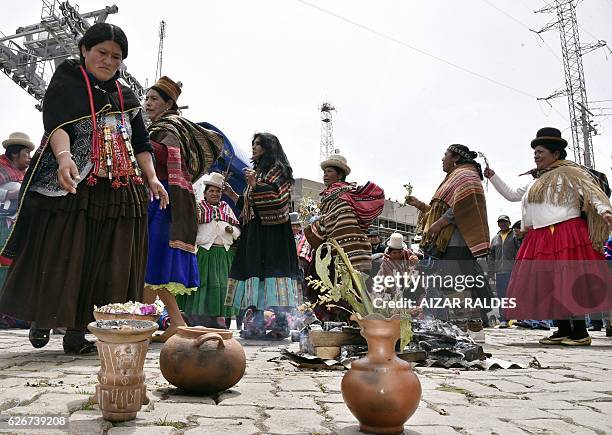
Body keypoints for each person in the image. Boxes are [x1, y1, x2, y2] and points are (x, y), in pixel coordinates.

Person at [0, 23, 168, 354]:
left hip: (119, 184)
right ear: (84, 51)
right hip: (74, 184)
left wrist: (152, 177)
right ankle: (45, 316)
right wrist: (64, 160)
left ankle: (80, 331)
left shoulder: (126, 96)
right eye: (101, 53)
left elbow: (141, 142)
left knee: (108, 258)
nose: (108, 61)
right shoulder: (67, 82)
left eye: (116, 57)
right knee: (65, 253)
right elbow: (58, 127)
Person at [484, 127, 612, 346]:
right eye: (534, 152)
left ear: (556, 153)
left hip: (567, 232)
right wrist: (493, 177)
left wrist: (605, 211)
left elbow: (592, 192)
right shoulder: (535, 181)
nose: (536, 155)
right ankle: (562, 330)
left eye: (540, 151)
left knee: (571, 281)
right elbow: (512, 194)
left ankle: (580, 332)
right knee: (551, 284)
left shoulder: (573, 174)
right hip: (541, 237)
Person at [142, 76, 223, 341]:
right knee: (152, 265)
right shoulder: (164, 127)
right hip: (163, 198)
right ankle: (165, 321)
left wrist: (136, 144)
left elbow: (163, 157)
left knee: (151, 262)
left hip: (166, 200)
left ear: (168, 104)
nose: (147, 103)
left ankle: (145, 322)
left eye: (154, 99)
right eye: (146, 98)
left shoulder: (170, 128)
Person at [407, 144, 492, 337]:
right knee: (454, 285)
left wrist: (440, 223)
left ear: (455, 157)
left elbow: (462, 205)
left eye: (445, 155)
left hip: (459, 242)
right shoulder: (456, 176)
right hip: (448, 242)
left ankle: (471, 327)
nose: (442, 159)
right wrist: (420, 205)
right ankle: (466, 327)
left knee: (458, 285)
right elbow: (439, 208)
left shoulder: (466, 175)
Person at [223, 133, 300, 339]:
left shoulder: (279, 171)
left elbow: (278, 200)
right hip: (255, 233)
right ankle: (256, 324)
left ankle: (281, 324)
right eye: (253, 144)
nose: (254, 147)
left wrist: (255, 185)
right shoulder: (257, 172)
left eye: (258, 144)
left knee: (275, 274)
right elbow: (251, 205)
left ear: (269, 147)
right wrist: (233, 195)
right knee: (254, 273)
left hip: (274, 234)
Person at [303, 153, 384, 321]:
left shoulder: (341, 194)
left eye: (329, 171)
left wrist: (314, 227)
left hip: (347, 251)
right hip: (348, 250)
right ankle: (350, 324)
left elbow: (333, 222)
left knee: (347, 291)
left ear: (339, 174)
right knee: (351, 292)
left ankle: (350, 324)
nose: (325, 174)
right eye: (324, 171)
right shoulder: (337, 195)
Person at [176, 172, 240, 329]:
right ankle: (200, 318)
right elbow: (190, 229)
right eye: (211, 191)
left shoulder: (226, 208)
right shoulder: (198, 208)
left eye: (218, 191)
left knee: (223, 287)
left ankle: (221, 319)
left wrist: (232, 230)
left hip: (224, 253)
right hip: (205, 252)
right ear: (205, 193)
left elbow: (238, 230)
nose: (215, 194)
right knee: (204, 284)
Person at [488, 214, 521, 328]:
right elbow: (491, 256)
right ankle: (504, 319)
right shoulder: (495, 238)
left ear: (509, 223)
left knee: (516, 295)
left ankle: (520, 318)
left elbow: (520, 251)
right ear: (498, 224)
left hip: (513, 271)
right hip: (500, 272)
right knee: (502, 296)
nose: (502, 224)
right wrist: (491, 271)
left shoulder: (514, 236)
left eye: (505, 222)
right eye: (500, 222)